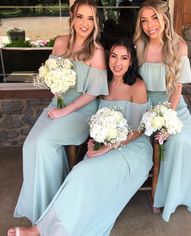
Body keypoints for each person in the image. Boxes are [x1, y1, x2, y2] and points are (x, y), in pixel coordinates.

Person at [8, 38, 153, 236]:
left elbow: (140, 129)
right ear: (108, 58)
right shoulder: (103, 85)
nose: (118, 63)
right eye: (114, 56)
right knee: (78, 172)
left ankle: (41, 229)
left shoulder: (137, 86)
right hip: (105, 144)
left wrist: (109, 147)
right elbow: (97, 121)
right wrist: (96, 139)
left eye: (124, 58)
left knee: (83, 173)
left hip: (133, 148)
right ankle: (45, 228)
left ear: (131, 62)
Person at [13, 0, 108, 225]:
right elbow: (49, 74)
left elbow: (94, 92)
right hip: (57, 105)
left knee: (44, 142)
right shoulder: (59, 43)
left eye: (90, 18)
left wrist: (67, 110)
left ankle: (53, 209)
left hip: (80, 110)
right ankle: (43, 205)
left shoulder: (97, 52)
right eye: (80, 17)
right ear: (72, 18)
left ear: (96, 23)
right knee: (30, 146)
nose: (84, 23)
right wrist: (54, 85)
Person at [134, 0, 191, 222]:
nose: (149, 25)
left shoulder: (179, 46)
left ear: (165, 18)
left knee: (183, 143)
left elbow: (177, 88)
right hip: (145, 104)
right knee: (139, 144)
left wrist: (167, 119)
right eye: (144, 20)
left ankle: (168, 197)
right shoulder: (140, 46)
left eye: (154, 17)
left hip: (173, 105)